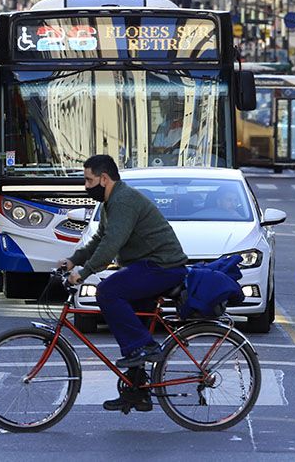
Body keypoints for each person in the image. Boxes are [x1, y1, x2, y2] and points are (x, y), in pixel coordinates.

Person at [57, 155, 188, 413]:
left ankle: (146, 347)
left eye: (89, 180)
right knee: (133, 321)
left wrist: (84, 274)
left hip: (162, 267)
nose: (86, 186)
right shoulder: (111, 203)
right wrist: (72, 261)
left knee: (107, 291)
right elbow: (98, 240)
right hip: (149, 266)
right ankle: (137, 392)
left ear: (104, 179)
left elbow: (110, 245)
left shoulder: (123, 201)